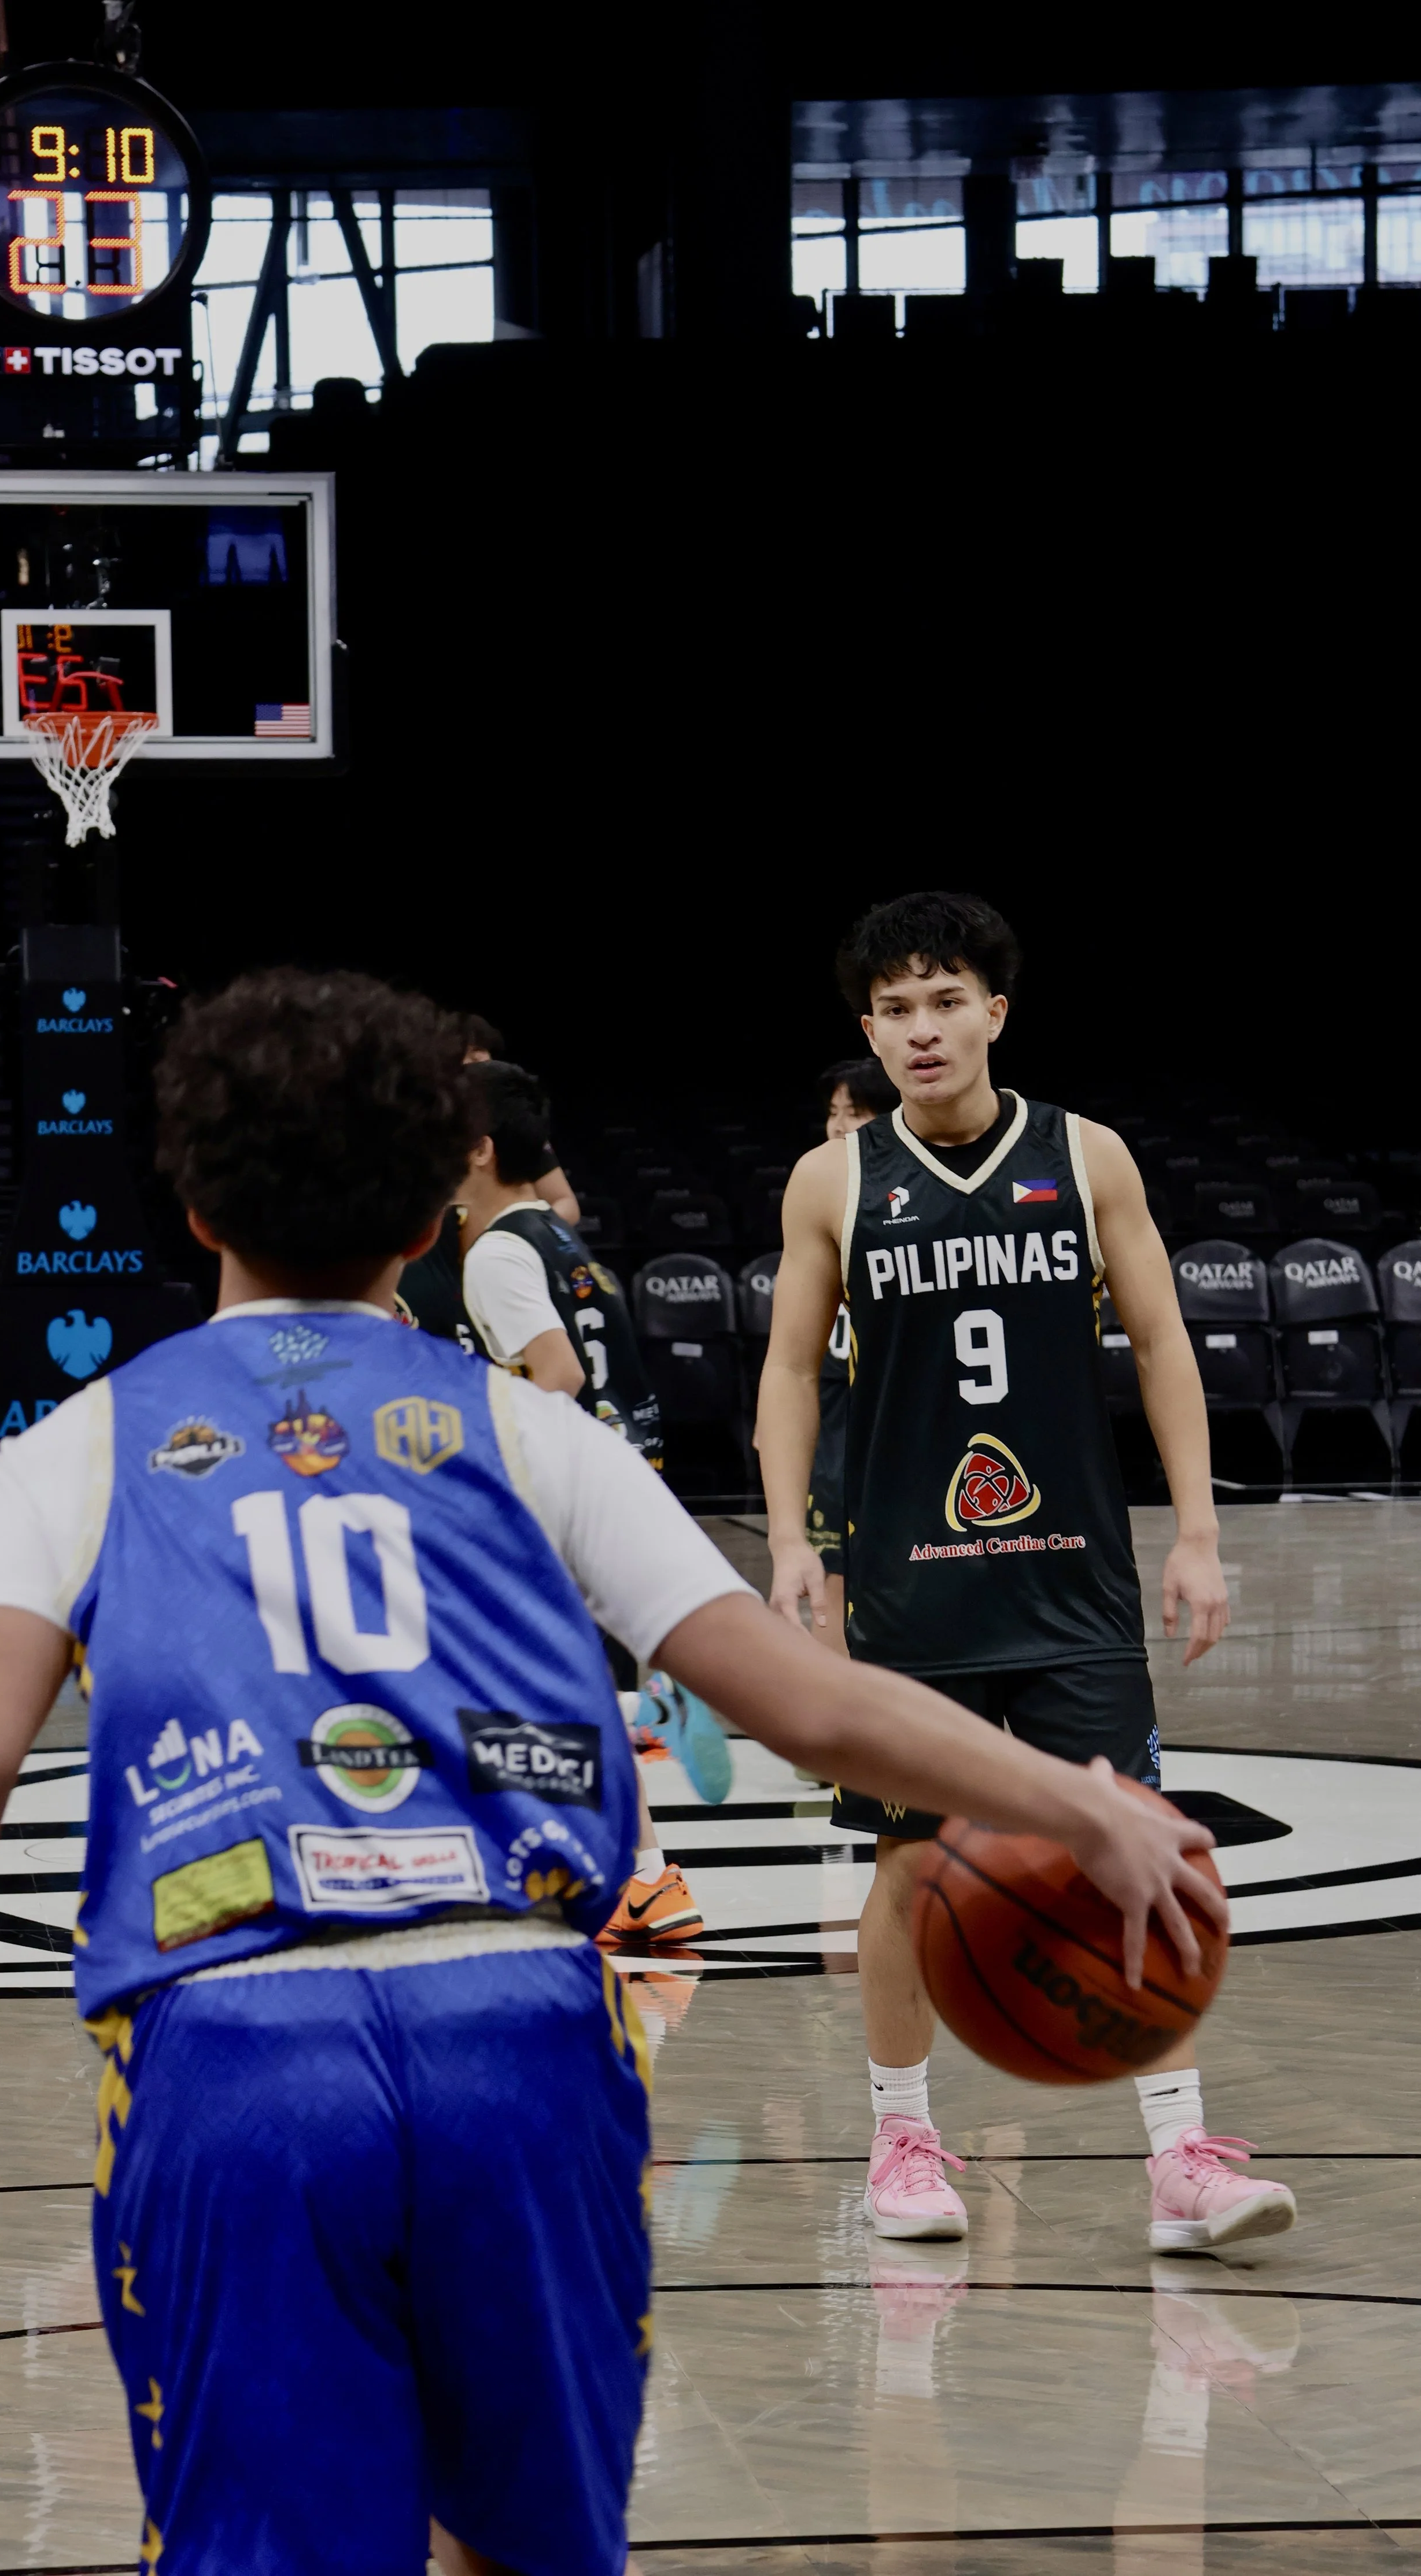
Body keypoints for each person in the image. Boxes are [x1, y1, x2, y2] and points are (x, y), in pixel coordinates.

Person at [0, 965, 1223, 2576]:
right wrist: (1083, 1797)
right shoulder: (527, 1432)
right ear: (438, 1213)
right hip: (522, 2044)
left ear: (193, 1198)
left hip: (235, 2047)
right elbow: (810, 1704)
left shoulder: (75, 1447)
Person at [758, 890, 1295, 2256]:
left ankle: (1180, 2161)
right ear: (866, 1030)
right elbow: (784, 1368)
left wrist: (1196, 1532)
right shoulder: (835, 1179)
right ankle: (901, 2146)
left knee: (1131, 1859)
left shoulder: (1086, 1153)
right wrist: (786, 1549)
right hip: (910, 1588)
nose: (921, 1028)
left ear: (996, 1010)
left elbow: (1165, 1341)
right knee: (909, 1864)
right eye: (893, 1008)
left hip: (1072, 1580)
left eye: (946, 999)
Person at [455, 1058, 706, 1947]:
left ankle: (632, 1874)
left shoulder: (494, 1251)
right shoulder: (558, 1235)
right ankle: (632, 1873)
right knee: (570, 1700)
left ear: (478, 1150)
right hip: (619, 1487)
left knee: (531, 1701)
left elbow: (554, 1376)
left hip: (563, 1505)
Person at [807, 1057, 899, 1654]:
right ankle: (829, 1733)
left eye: (856, 1113)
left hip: (895, 1422)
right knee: (828, 1583)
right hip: (834, 1419)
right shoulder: (818, 1195)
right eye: (833, 1114)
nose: (839, 1127)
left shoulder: (904, 1200)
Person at [455, 1017, 580, 1224]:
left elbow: (565, 1203)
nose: (469, 1068)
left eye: (476, 1058)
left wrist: (523, 1234)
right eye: (459, 1060)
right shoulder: (428, 1130)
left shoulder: (516, 1128)